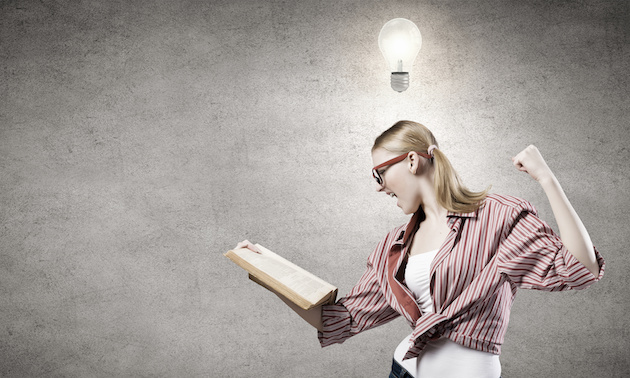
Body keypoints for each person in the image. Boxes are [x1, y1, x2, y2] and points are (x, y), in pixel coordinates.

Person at [236, 120, 604, 378]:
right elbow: (338, 319)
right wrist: (267, 274)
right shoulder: (393, 247)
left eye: (379, 175)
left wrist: (547, 179)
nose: (379, 187)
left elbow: (579, 267)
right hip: (404, 371)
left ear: (412, 161)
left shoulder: (498, 216)